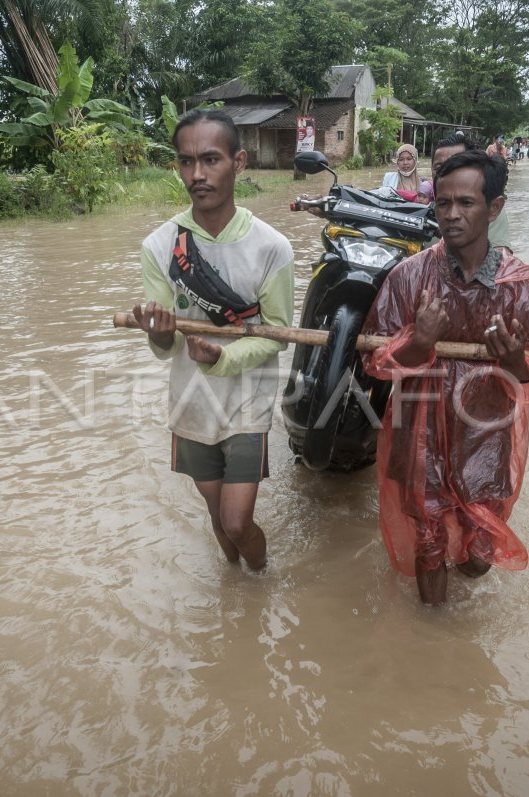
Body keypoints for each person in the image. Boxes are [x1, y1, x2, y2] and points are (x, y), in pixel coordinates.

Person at [360, 150, 529, 604]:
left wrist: (514, 361)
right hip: (417, 433)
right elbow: (373, 360)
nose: (451, 215)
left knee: (479, 550)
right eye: (443, 204)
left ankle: (467, 604)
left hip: (486, 434)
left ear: (494, 208)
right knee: (429, 541)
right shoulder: (409, 278)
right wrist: (418, 343)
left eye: (466, 204)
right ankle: (431, 649)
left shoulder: (520, 289)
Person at [132, 109, 295, 571]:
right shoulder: (160, 246)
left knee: (238, 520)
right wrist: (160, 335)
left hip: (247, 398)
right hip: (192, 401)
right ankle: (235, 590)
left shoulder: (272, 247)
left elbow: (278, 334)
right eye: (186, 162)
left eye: (210, 160)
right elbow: (164, 347)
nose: (197, 175)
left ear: (239, 161)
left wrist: (222, 358)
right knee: (215, 514)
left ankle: (261, 581)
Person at [431, 133, 513, 251]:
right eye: (439, 167)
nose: (446, 173)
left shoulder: (487, 209)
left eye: (455, 165)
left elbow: (500, 260)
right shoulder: (422, 203)